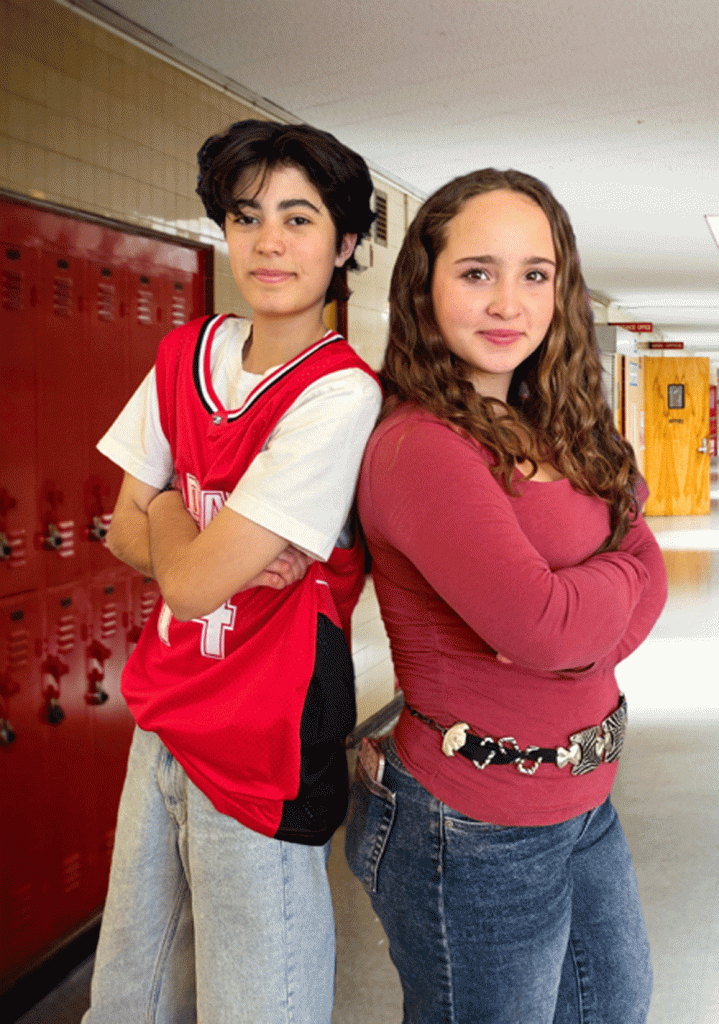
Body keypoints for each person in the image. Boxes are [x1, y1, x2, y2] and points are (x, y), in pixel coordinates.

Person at [345, 168, 667, 1024]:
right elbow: (548, 628)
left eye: (534, 274)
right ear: (424, 284)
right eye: (475, 271)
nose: (507, 302)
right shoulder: (422, 446)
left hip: (582, 796)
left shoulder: (560, 425)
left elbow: (645, 573)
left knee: (613, 1006)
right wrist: (581, 604)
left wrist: (577, 606)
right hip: (470, 822)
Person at [83, 119, 382, 1024]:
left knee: (256, 1009)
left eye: (299, 218)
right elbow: (118, 530)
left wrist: (166, 507)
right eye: (247, 216)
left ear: (346, 243)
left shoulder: (340, 393)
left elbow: (189, 582)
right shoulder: (184, 355)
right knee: (124, 1002)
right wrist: (186, 529)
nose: (269, 242)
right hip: (163, 720)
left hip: (261, 747)